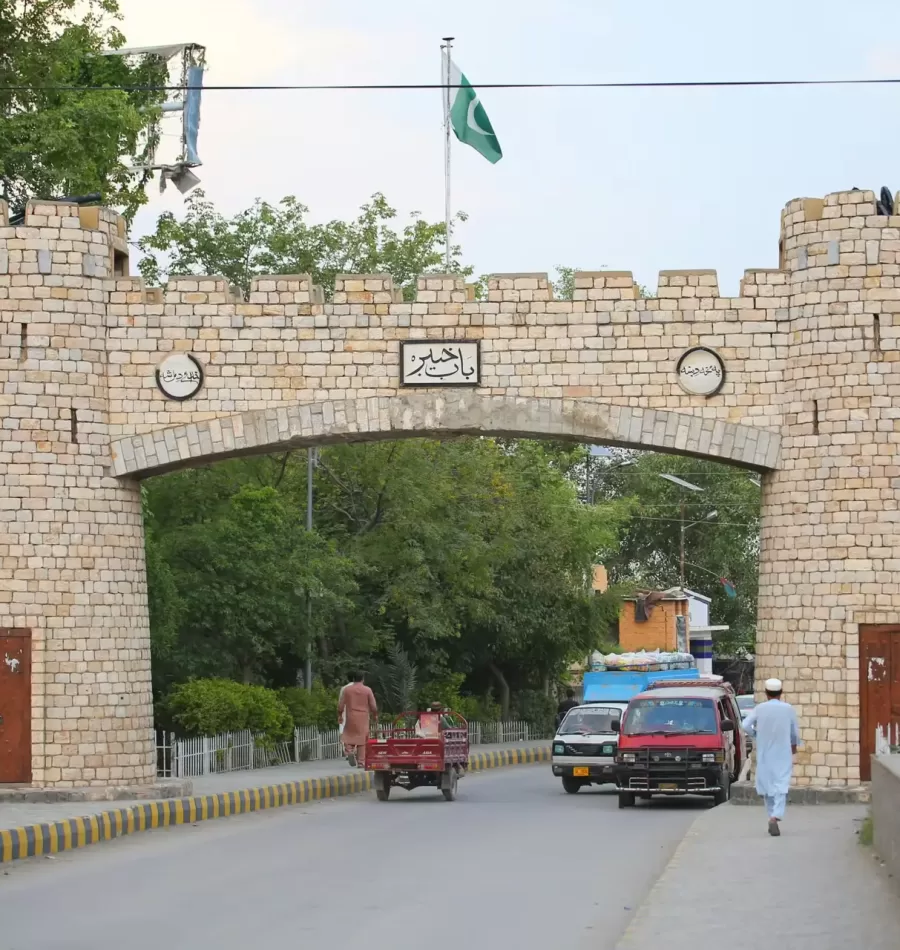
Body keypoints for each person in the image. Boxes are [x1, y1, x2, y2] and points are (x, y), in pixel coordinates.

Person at [742, 677, 799, 837]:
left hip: (765, 753)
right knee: (781, 785)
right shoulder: (788, 709)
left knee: (767, 787)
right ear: (781, 693)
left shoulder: (760, 709)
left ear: (766, 693)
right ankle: (775, 816)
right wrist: (794, 746)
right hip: (783, 753)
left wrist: (756, 734)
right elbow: (794, 732)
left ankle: (771, 816)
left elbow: (745, 725)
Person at [338, 672, 377, 768]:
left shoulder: (347, 690)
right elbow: (373, 706)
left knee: (348, 735)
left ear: (353, 679)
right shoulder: (367, 690)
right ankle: (361, 762)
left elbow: (341, 705)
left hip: (351, 716)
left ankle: (350, 751)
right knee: (362, 740)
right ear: (363, 679)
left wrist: (340, 715)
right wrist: (375, 715)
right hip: (363, 717)